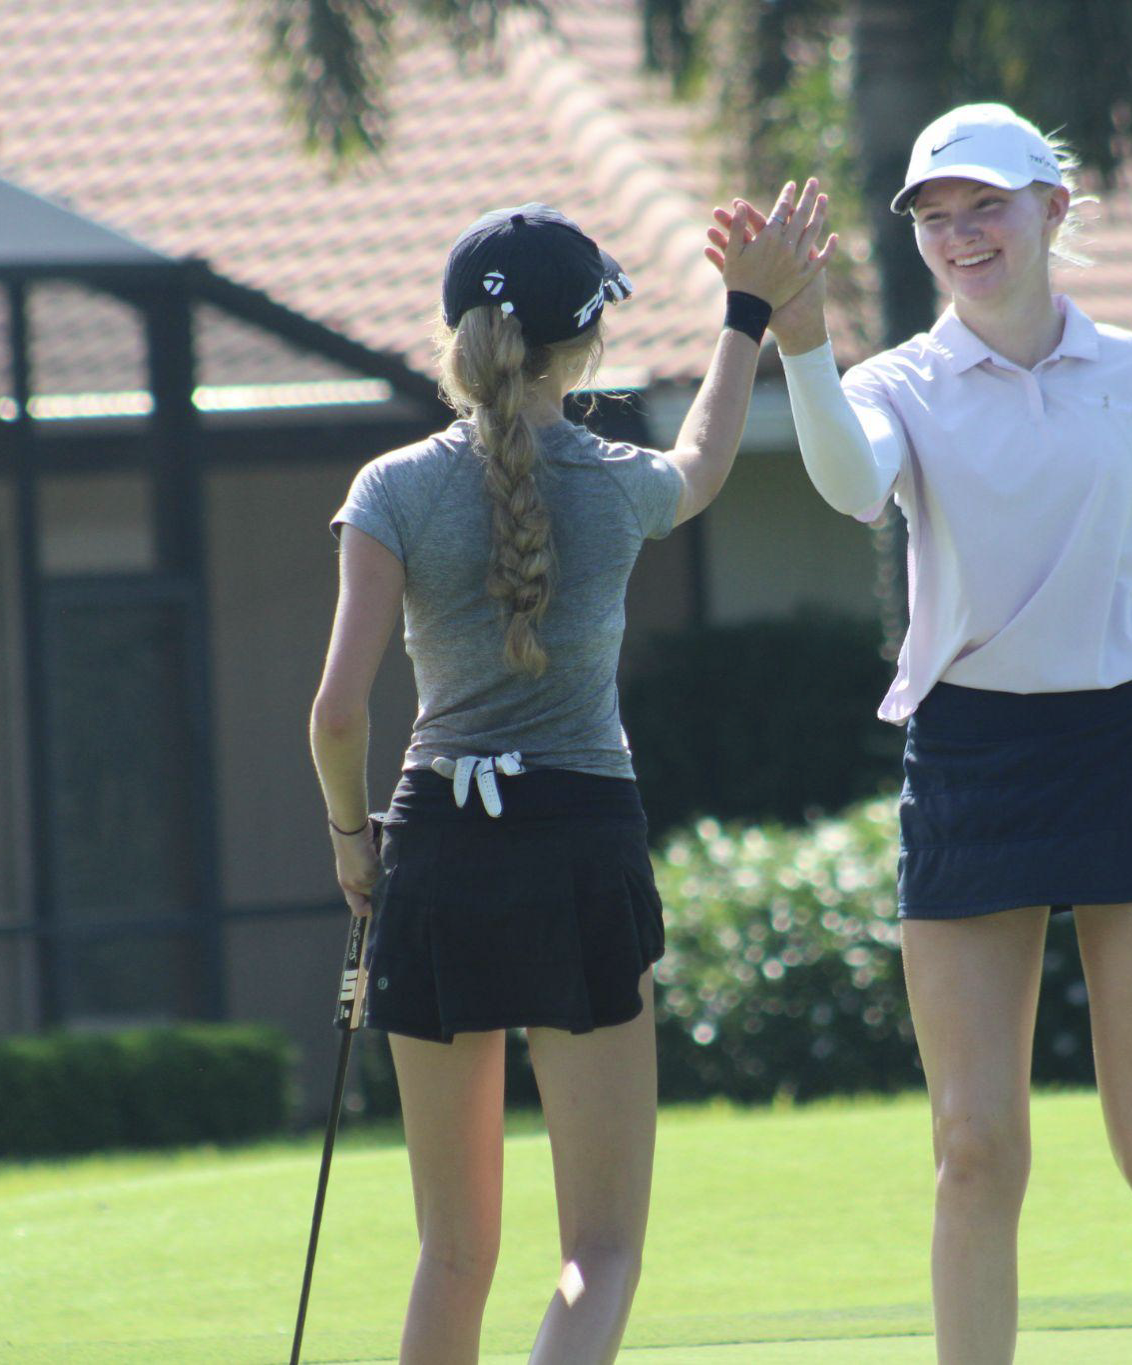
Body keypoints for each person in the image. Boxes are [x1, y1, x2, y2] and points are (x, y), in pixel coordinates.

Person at [719, 105, 1132, 1363]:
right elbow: (852, 486)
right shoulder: (896, 381)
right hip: (970, 759)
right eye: (937, 220)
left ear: (1052, 210)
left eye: (987, 209)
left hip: (1130, 752)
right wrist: (803, 344)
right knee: (973, 1151)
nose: (963, 237)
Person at [310, 189, 831, 1364]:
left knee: (452, 1254)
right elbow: (701, 461)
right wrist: (745, 308)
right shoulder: (613, 480)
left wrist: (356, 847)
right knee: (599, 1248)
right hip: (580, 847)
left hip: (437, 845)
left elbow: (338, 714)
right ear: (585, 345)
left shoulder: (391, 489)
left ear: (457, 339)